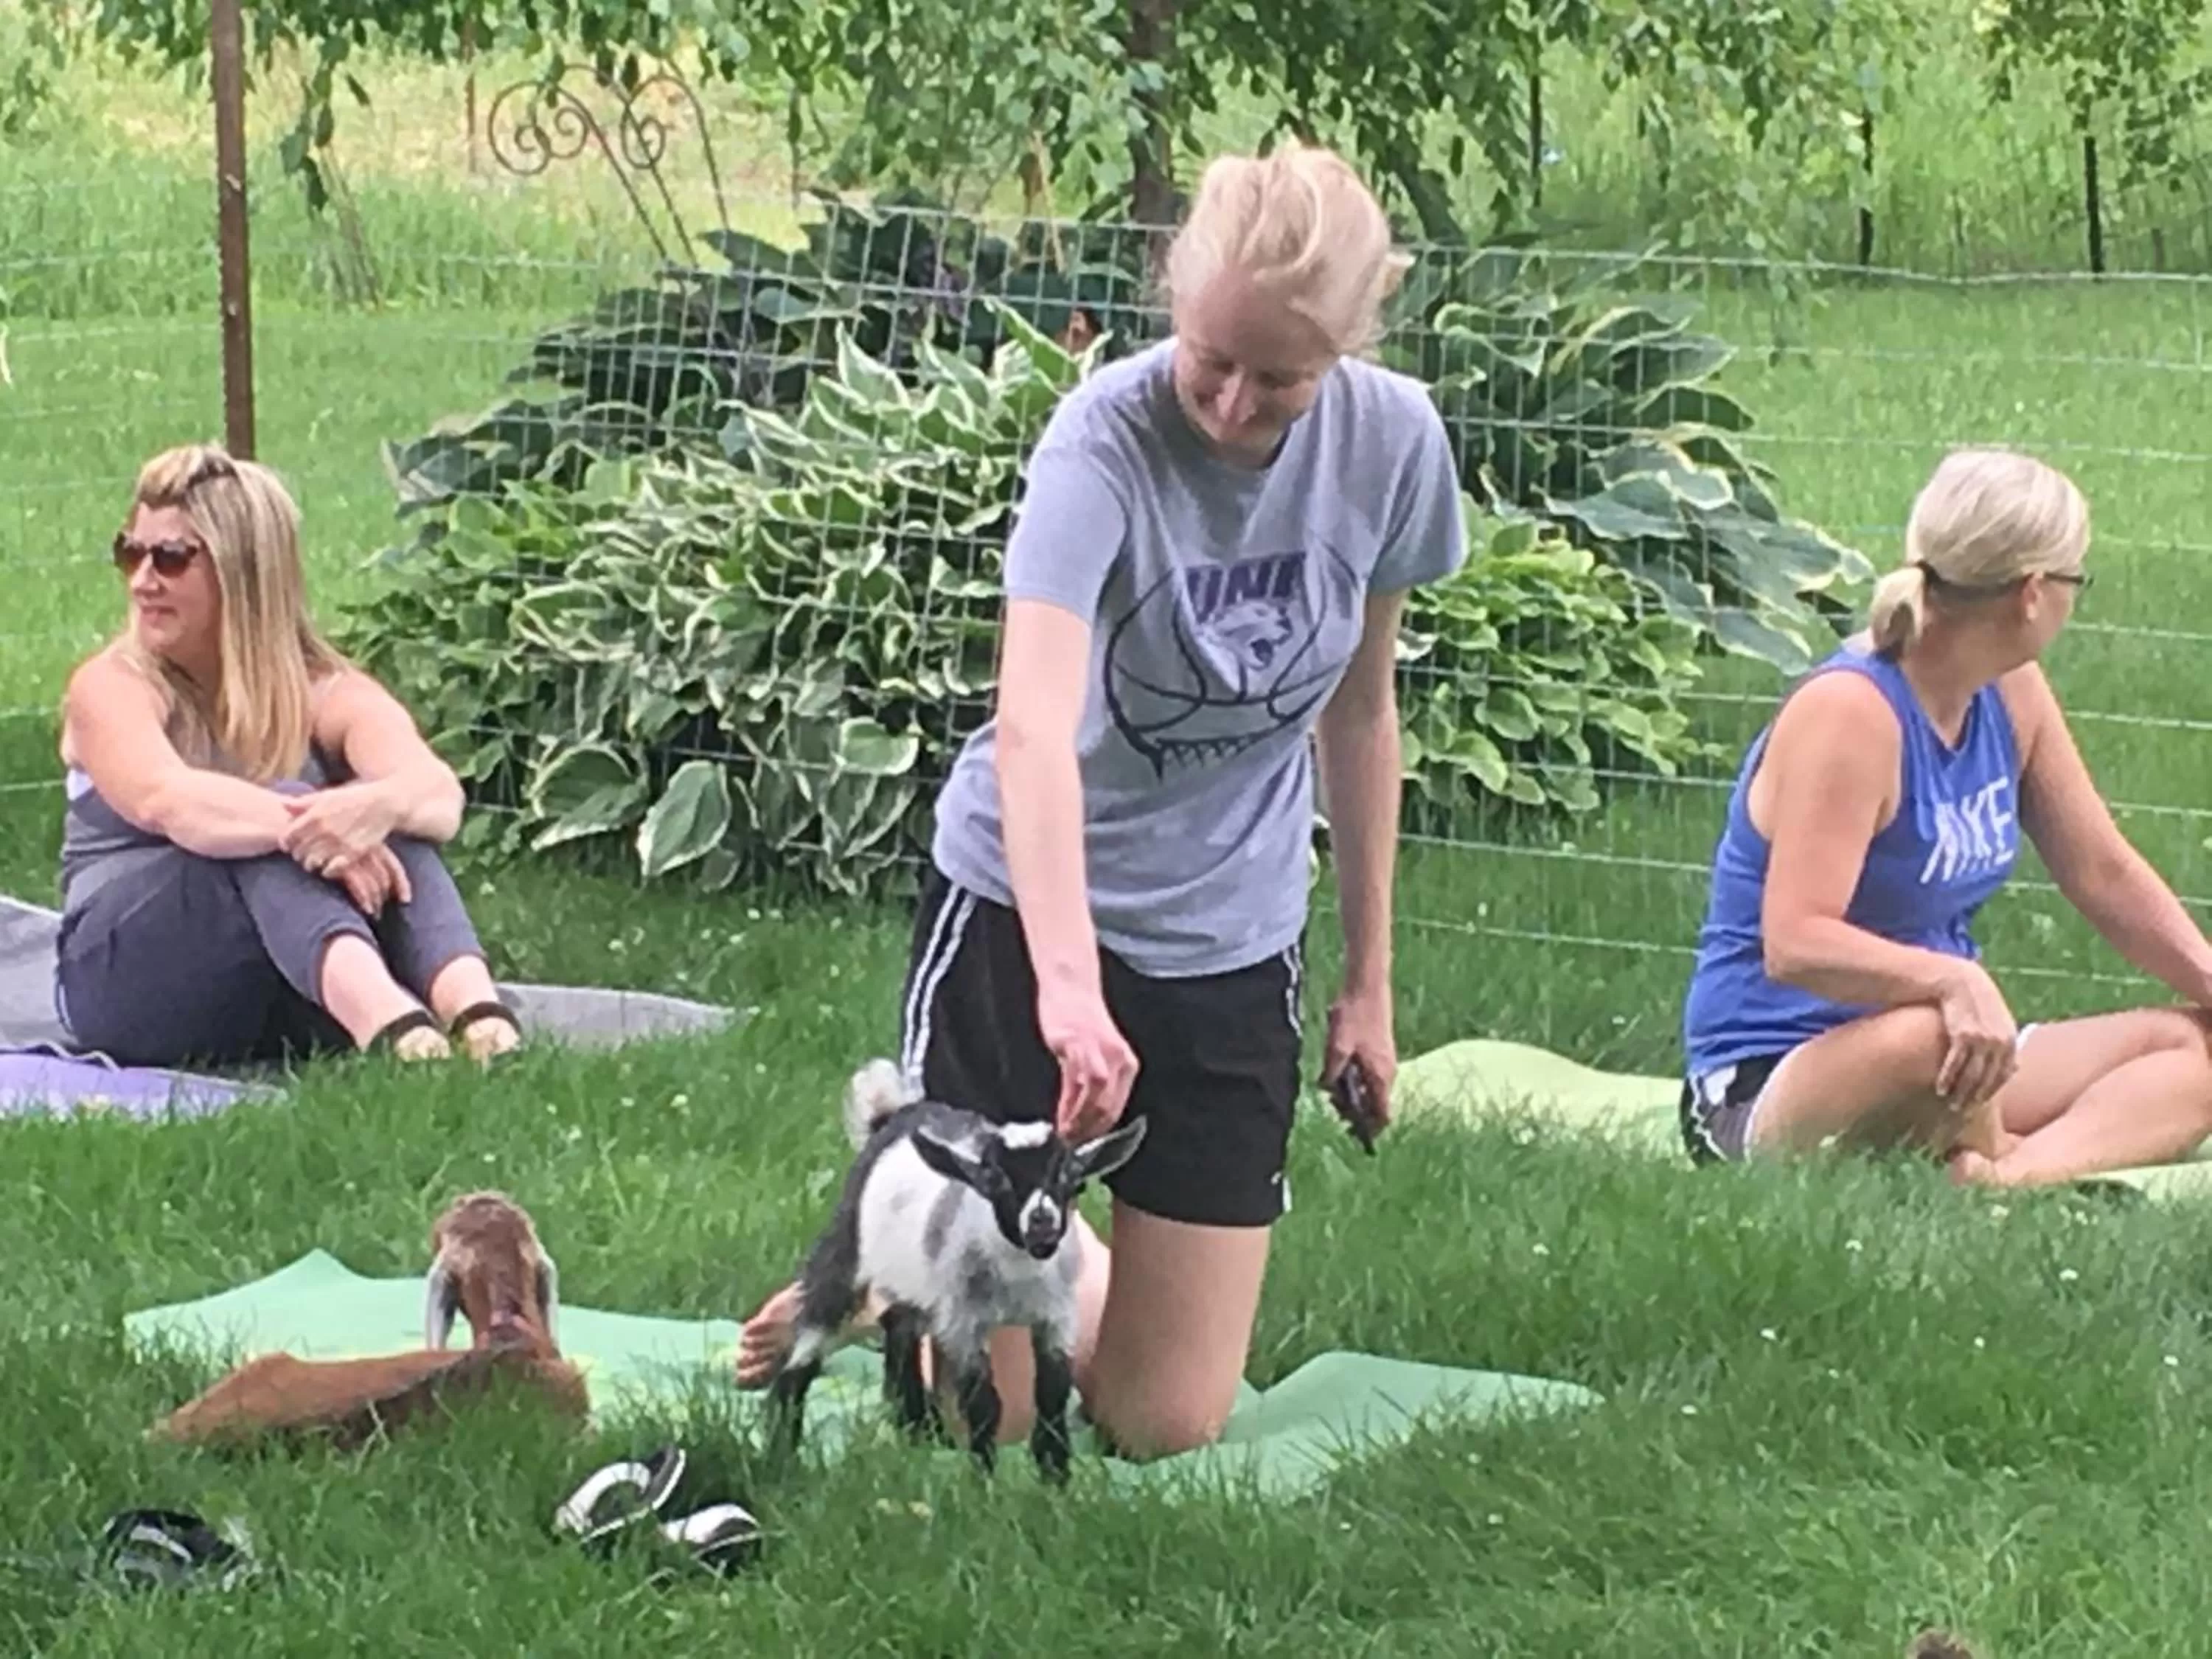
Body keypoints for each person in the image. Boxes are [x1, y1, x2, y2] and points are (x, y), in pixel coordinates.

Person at [735, 139, 1470, 1455]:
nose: (1235, 405)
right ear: (1174, 306)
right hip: (1026, 909)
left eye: (1282, 378)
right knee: (988, 1422)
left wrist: (1370, 981)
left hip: (1228, 938)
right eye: (1212, 358)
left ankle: (954, 1246)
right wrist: (1068, 991)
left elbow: (1361, 711)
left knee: (1164, 1419)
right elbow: (1030, 725)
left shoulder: (1394, 445)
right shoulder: (1103, 440)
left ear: (1349, 351)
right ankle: (908, 1255)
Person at [1680, 445, 2212, 1186]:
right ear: (2032, 593)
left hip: (1958, 1050)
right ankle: (2007, 1150)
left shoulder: (2012, 690)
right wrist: (1951, 982)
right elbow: (1795, 943)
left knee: (2195, 1044)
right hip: (1774, 1079)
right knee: (1927, 1039)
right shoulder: (1852, 715)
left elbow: (2102, 871)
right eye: (2075, 579)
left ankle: (2004, 1177)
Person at [53, 442, 521, 1069]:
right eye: (130, 552)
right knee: (265, 827)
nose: (143, 580)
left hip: (272, 984)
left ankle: (479, 1018)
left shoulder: (321, 686)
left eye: (171, 558)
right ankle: (396, 1033)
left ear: (244, 570)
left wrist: (374, 807)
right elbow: (170, 802)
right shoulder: (111, 687)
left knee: (384, 815)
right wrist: (309, 822)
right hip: (124, 984)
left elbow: (437, 794)